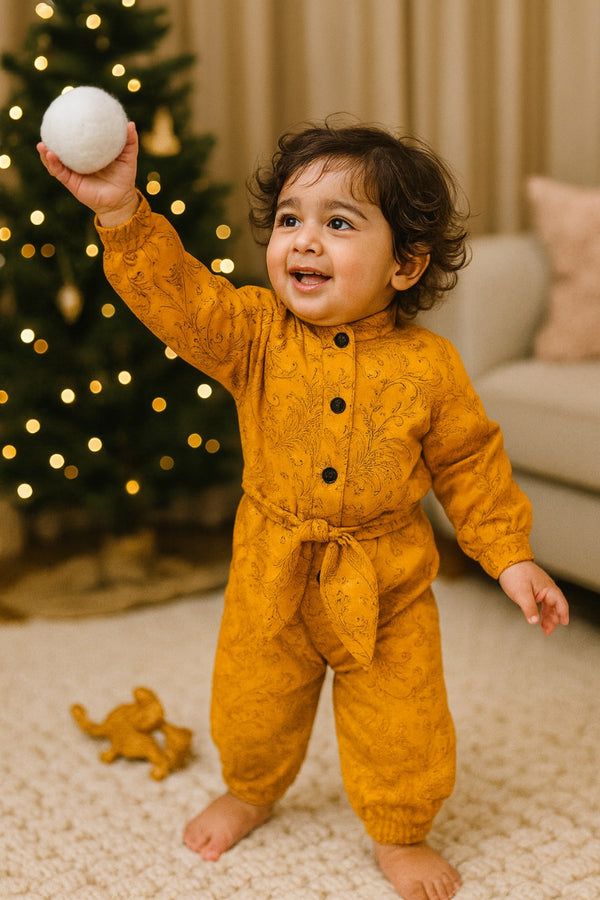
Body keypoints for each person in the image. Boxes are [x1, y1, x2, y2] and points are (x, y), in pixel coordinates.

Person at [38, 120, 569, 900]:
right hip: (272, 573)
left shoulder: (429, 366)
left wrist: (511, 556)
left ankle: (401, 829)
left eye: (339, 223)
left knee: (404, 719)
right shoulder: (252, 332)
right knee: (252, 700)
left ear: (405, 263)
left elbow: (468, 463)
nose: (304, 240)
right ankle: (250, 788)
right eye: (290, 219)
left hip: (386, 583)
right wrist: (121, 212)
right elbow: (179, 299)